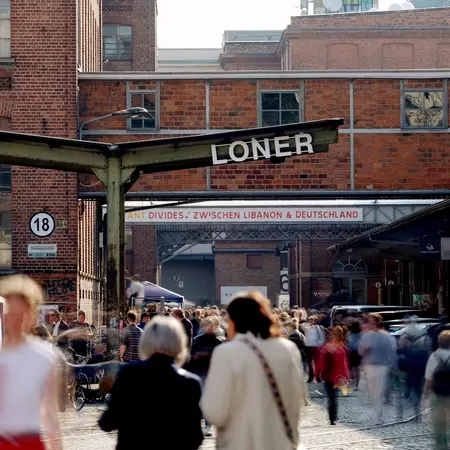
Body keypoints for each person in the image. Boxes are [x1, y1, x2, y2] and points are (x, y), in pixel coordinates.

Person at [201, 291, 305, 450]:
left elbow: (215, 412)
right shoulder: (288, 349)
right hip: (280, 442)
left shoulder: (227, 352)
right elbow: (297, 401)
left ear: (234, 321)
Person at [99, 316, 204, 450]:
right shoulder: (190, 383)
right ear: (179, 342)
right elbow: (195, 437)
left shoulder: (129, 373)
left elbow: (108, 422)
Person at [0, 274, 62, 450]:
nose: (14, 321)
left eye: (21, 314)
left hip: (30, 442)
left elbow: (50, 412)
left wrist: (57, 446)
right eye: (11, 313)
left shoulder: (44, 355)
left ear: (32, 314)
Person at [358, 313, 397, 425]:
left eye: (372, 322)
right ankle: (378, 414)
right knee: (374, 393)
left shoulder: (385, 336)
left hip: (381, 367)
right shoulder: (366, 336)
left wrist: (392, 366)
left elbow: (391, 352)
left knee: (378, 393)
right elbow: (360, 352)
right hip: (370, 367)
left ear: (377, 323)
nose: (370, 324)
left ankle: (378, 417)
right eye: (369, 322)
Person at [188, 317, 223, 437]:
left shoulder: (217, 341)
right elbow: (193, 355)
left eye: (211, 326)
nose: (209, 328)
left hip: (211, 373)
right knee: (199, 400)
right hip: (199, 372)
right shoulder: (198, 340)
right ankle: (200, 426)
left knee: (208, 400)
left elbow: (218, 356)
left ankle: (207, 426)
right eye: (207, 326)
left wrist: (203, 353)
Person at [316, 326, 350, 425]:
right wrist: (345, 376)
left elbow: (320, 363)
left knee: (332, 397)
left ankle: (332, 418)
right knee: (333, 397)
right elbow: (343, 364)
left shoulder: (327, 347)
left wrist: (318, 373)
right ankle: (333, 417)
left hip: (329, 376)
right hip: (335, 376)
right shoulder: (340, 349)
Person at [423, 330, 450, 450]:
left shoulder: (434, 356)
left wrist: (425, 395)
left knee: (439, 424)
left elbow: (428, 379)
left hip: (437, 394)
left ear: (438, 342)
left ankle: (441, 446)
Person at [301, 315, 325, 382]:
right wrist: (308, 321)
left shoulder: (318, 328)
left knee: (317, 362)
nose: (311, 321)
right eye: (310, 320)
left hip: (316, 346)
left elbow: (322, 337)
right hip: (308, 346)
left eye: (313, 320)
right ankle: (311, 376)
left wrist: (319, 345)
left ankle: (318, 377)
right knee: (309, 363)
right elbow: (302, 325)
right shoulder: (306, 327)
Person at [346, 320, 362, 390]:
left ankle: (352, 381)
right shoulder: (361, 334)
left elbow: (346, 342)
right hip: (357, 352)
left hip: (351, 351)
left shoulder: (349, 333)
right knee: (357, 368)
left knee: (351, 368)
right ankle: (356, 385)